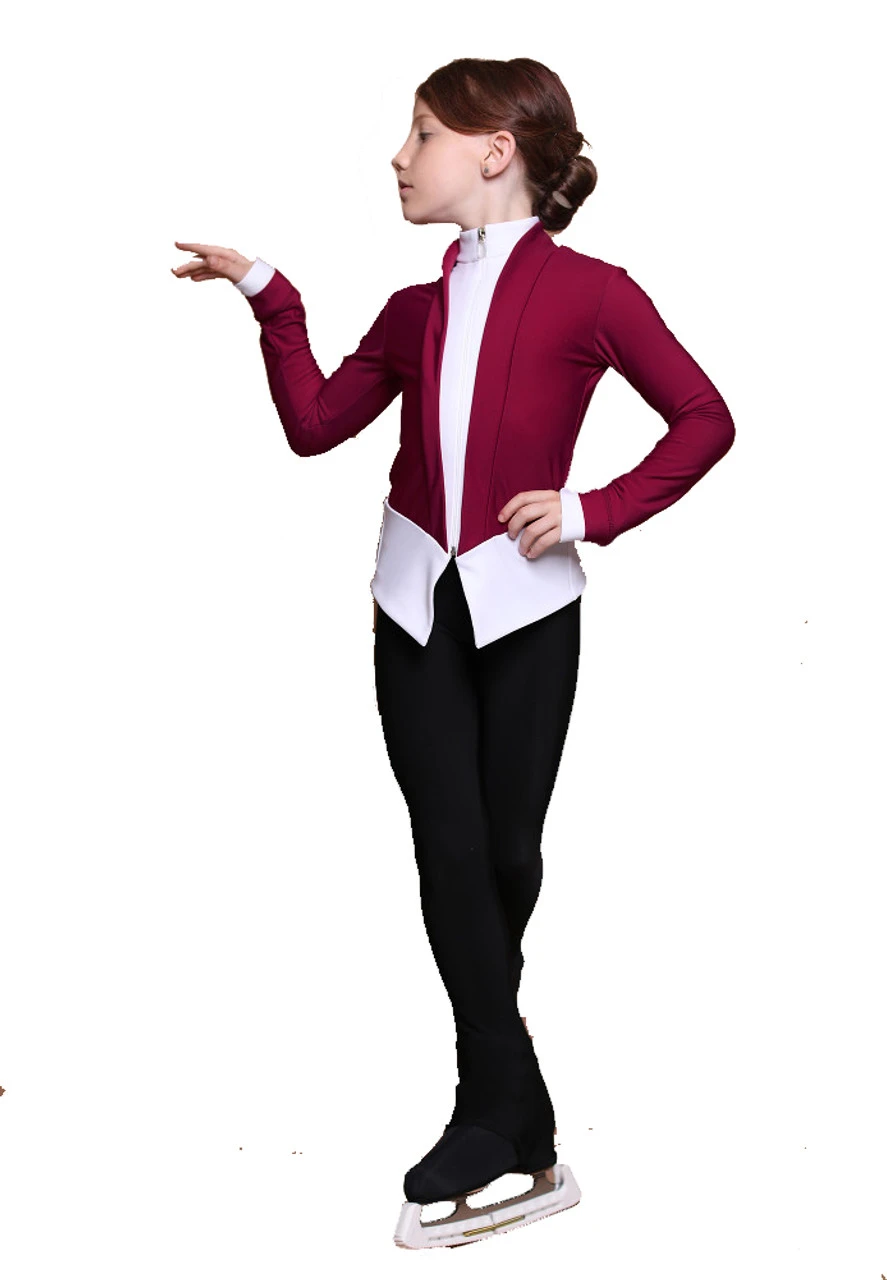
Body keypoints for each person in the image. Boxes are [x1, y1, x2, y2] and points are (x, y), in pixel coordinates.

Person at [171, 55, 735, 1249]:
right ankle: (498, 1114)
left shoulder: (592, 293)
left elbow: (704, 418)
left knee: (507, 856)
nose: (398, 155)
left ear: (493, 150)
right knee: (451, 850)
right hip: (412, 606)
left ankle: (506, 1110)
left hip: (527, 609)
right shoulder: (411, 310)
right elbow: (313, 425)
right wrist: (268, 294)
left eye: (421, 133)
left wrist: (589, 509)